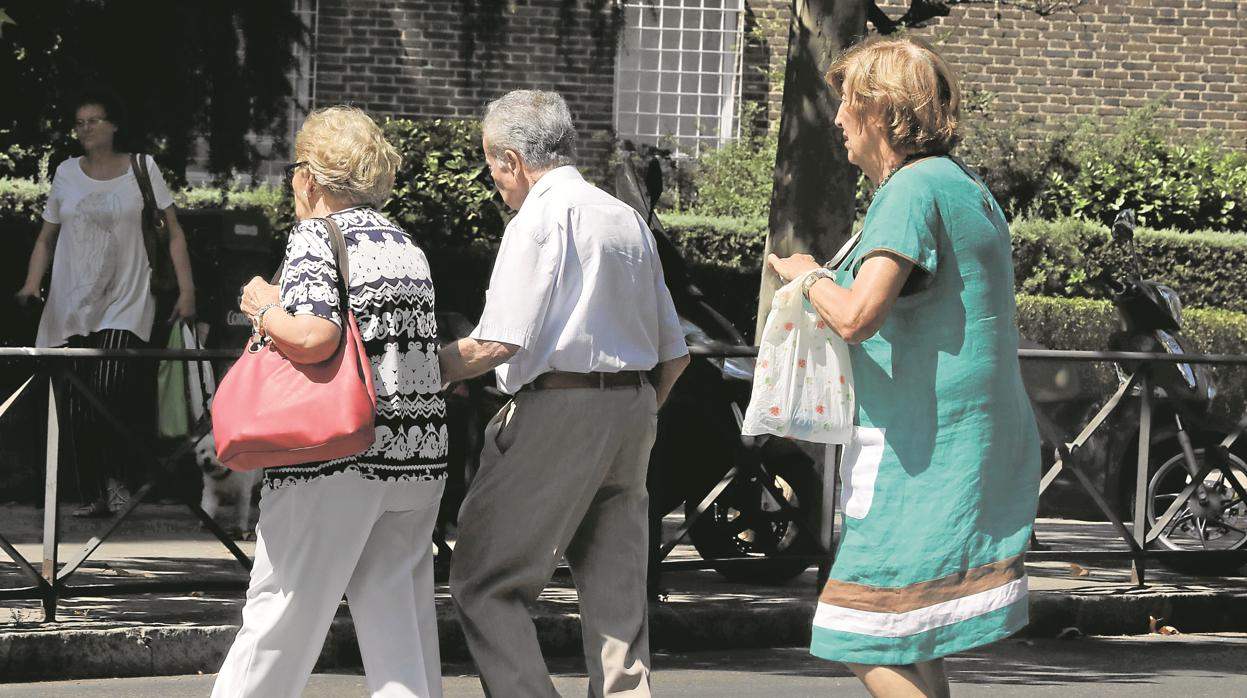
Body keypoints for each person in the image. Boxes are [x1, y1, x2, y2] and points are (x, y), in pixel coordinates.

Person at [767, 36, 1040, 698]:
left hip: (922, 453)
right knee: (908, 633)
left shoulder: (909, 190)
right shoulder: (962, 186)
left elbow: (860, 314)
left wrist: (805, 277)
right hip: (958, 442)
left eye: (847, 106)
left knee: (851, 630)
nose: (836, 121)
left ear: (883, 112)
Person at [439, 89, 690, 698]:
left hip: (560, 406)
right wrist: (631, 409)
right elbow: (676, 354)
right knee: (616, 595)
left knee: (484, 580)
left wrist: (407, 372)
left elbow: (497, 342)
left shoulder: (539, 218)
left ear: (511, 161)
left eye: (491, 167)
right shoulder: (623, 215)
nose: (495, 182)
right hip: (632, 407)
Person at [211, 106, 448, 698]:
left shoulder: (317, 235)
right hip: (416, 459)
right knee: (401, 633)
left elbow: (317, 338)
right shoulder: (404, 244)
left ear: (309, 177)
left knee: (278, 618)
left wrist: (264, 306)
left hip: (335, 460)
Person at [15, 90, 196, 518]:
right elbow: (47, 236)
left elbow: (173, 233)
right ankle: (95, 492)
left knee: (108, 392)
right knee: (77, 404)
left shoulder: (142, 168)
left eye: (94, 120)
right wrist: (30, 283)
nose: (86, 128)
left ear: (114, 125)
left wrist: (187, 291)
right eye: (80, 122)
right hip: (71, 304)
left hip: (127, 300)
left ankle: (119, 484)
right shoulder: (65, 173)